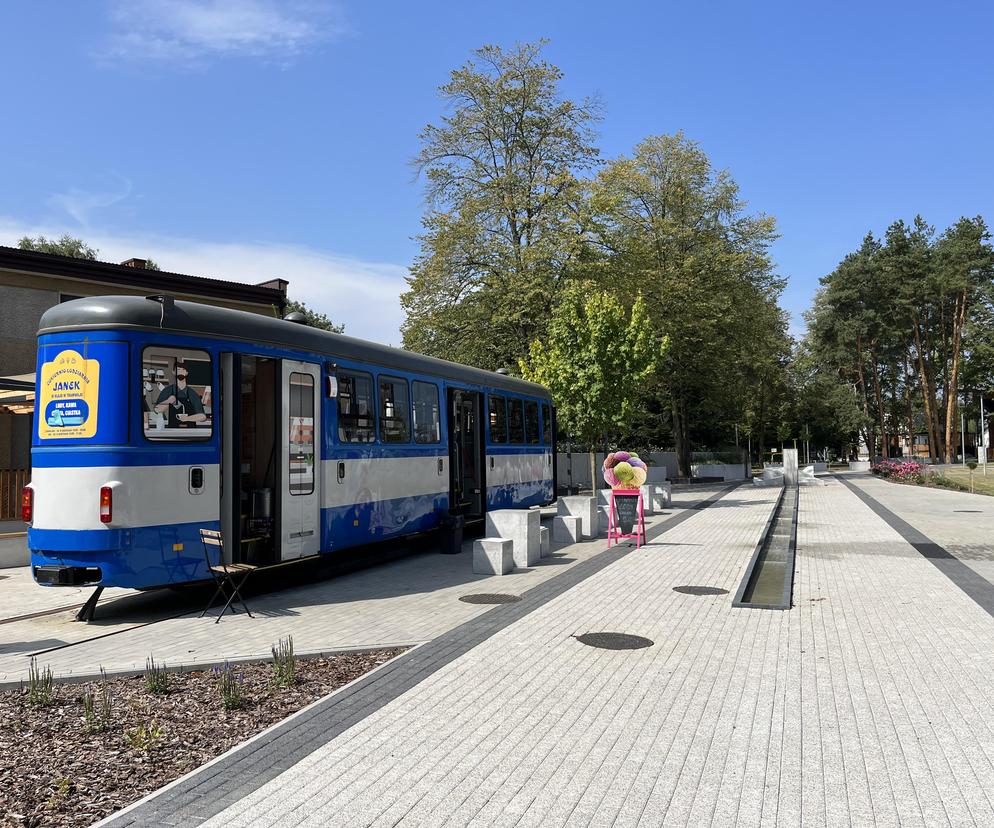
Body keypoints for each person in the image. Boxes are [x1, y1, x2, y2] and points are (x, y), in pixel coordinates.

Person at [154, 361, 206, 428]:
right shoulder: (167, 390)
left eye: (183, 370)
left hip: (191, 431)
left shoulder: (192, 393)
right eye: (178, 370)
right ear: (173, 372)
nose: (181, 372)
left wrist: (186, 418)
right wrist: (169, 401)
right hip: (172, 430)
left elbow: (202, 416)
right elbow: (157, 410)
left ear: (186, 373)